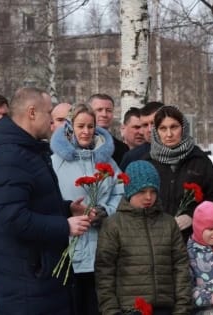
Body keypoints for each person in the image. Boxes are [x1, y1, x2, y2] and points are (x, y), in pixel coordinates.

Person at [0, 87, 92, 315]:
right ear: (31, 112)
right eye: (48, 114)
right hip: (26, 280)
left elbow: (31, 203)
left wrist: (66, 210)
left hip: (39, 275)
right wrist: (64, 226)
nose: (53, 123)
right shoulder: (10, 154)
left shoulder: (28, 150)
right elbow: (12, 217)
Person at [50, 104, 123, 315]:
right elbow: (46, 198)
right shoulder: (55, 162)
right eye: (80, 126)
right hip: (67, 248)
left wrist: (104, 211)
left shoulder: (107, 161)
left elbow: (120, 193)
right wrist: (67, 212)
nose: (86, 131)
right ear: (70, 128)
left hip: (102, 246)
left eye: (90, 126)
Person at [95, 160, 192, 315]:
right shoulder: (113, 225)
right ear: (129, 191)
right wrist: (111, 311)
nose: (148, 197)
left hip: (165, 308)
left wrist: (182, 308)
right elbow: (105, 273)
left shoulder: (168, 223)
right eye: (142, 191)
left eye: (153, 191)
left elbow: (181, 267)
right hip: (130, 309)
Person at [146, 105, 213, 241]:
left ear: (184, 128)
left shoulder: (199, 160)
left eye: (174, 127)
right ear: (156, 132)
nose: (169, 134)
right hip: (154, 239)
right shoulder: (147, 163)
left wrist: (192, 215)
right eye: (163, 128)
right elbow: (135, 202)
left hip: (192, 239)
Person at [119, 101, 164, 171]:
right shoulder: (132, 157)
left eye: (153, 123)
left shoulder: (184, 152)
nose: (149, 129)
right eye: (145, 125)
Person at [87, 93, 129, 165]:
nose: (104, 114)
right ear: (88, 112)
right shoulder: (80, 143)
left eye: (108, 110)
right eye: (99, 110)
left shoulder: (122, 148)